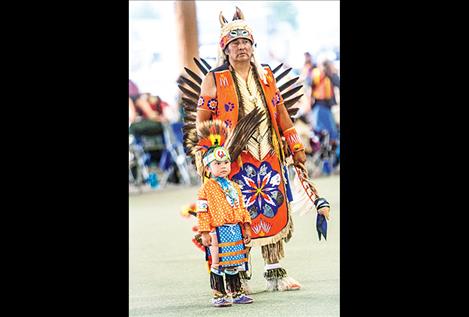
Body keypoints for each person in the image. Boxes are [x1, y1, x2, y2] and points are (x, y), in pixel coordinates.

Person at [193, 7, 330, 293]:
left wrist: (294, 145)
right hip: (234, 160)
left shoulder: (266, 75)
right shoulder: (214, 79)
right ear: (225, 49)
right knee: (235, 215)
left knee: (272, 208)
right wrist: (210, 155)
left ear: (253, 45)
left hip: (268, 154)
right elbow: (202, 123)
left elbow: (280, 112)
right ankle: (237, 272)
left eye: (246, 42)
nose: (241, 47)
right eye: (235, 43)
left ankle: (275, 271)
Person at [196, 119, 254, 307]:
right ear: (207, 168)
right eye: (217, 163)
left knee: (234, 262)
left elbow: (242, 209)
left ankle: (236, 292)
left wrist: (246, 227)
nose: (223, 166)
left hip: (235, 230)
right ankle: (219, 295)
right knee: (218, 263)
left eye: (226, 162)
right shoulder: (206, 189)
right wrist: (205, 232)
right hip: (216, 232)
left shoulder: (235, 187)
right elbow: (202, 212)